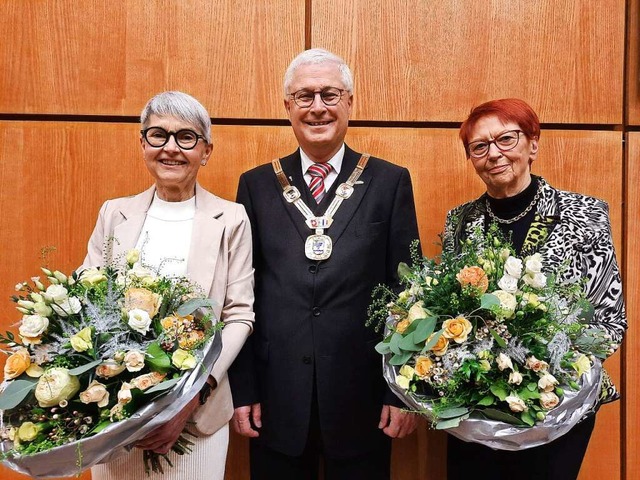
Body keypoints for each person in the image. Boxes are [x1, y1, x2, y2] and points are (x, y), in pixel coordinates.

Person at [228, 48, 420, 479]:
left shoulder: (389, 182)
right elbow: (241, 294)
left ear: (349, 102)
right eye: (305, 96)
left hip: (364, 401)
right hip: (276, 403)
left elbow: (409, 296)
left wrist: (402, 392)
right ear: (288, 108)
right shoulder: (256, 185)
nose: (318, 107)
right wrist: (243, 391)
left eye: (330, 94)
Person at [443, 98, 627, 480]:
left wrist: (549, 377)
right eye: (479, 147)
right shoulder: (460, 222)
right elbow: (448, 312)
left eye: (506, 139)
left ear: (532, 144)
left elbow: (609, 319)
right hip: (477, 410)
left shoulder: (585, 214)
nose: (494, 154)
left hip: (558, 407)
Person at [83, 91, 255, 480]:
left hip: (197, 418)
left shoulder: (231, 219)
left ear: (206, 150)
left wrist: (191, 397)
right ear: (143, 143)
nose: (171, 148)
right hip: (115, 414)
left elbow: (239, 314)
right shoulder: (114, 213)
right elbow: (87, 304)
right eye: (158, 135)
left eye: (186, 137)